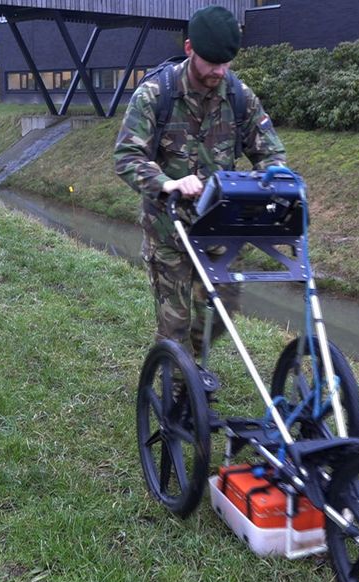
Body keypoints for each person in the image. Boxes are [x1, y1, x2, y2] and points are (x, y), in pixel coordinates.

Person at [113, 6, 287, 357]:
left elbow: (270, 154)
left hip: (218, 228)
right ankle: (177, 395)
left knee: (221, 310)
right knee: (173, 325)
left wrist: (270, 178)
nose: (219, 72)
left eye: (227, 63)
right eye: (211, 63)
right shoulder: (155, 95)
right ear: (190, 48)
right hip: (168, 232)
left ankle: (192, 372)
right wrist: (168, 183)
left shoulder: (238, 96)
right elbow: (127, 158)